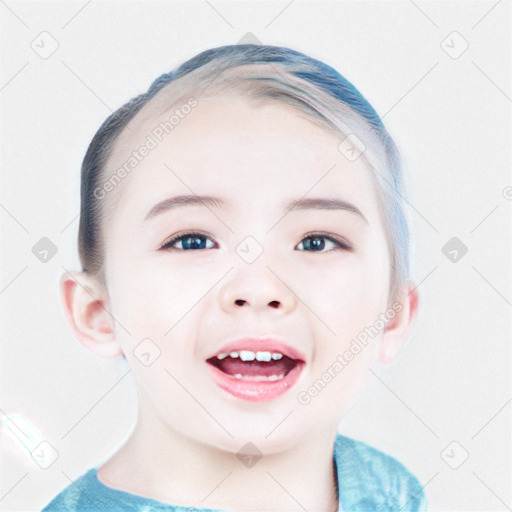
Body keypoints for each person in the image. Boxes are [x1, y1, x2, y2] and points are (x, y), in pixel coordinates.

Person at [43, 44, 425, 512]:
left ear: (390, 318)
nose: (259, 288)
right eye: (191, 241)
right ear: (98, 314)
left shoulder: (392, 490)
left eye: (316, 242)